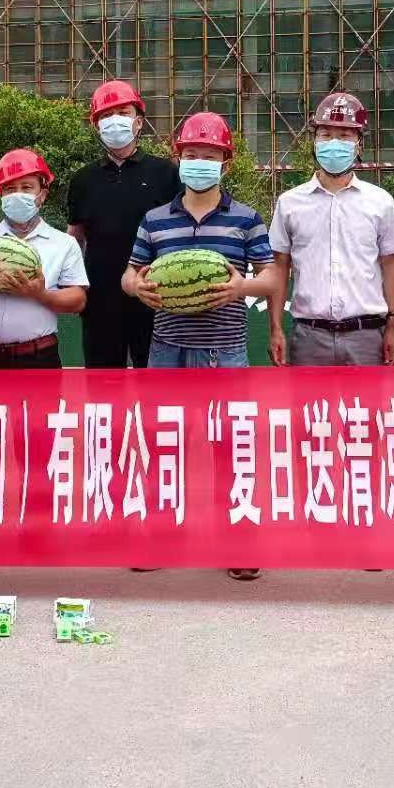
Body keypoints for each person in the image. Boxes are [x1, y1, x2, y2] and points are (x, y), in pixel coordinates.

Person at [123, 111, 280, 581]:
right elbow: (130, 273)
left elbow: (272, 277)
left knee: (231, 449)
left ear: (225, 163)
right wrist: (137, 288)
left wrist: (241, 288)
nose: (200, 162)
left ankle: (237, 542)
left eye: (210, 155)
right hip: (166, 348)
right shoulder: (154, 220)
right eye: (192, 154)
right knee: (163, 445)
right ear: (179, 159)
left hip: (225, 350)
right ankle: (160, 537)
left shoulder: (246, 218)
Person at [268, 91, 394, 367]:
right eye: (326, 135)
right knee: (306, 399)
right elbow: (280, 267)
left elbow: (392, 264)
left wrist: (393, 324)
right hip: (309, 336)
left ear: (359, 144)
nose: (334, 143)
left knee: (370, 399)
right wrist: (275, 328)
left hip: (368, 336)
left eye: (344, 136)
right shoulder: (289, 203)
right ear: (314, 141)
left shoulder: (379, 201)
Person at [67, 80, 178, 367]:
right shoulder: (82, 180)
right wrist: (73, 284)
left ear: (138, 122)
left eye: (123, 113)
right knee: (102, 382)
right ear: (96, 126)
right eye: (106, 115)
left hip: (154, 295)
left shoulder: (165, 173)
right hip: (99, 300)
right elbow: (75, 237)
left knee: (155, 380)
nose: (114, 120)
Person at [0, 149, 88, 369]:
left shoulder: (64, 243)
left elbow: (78, 300)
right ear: (1, 195)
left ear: (42, 195)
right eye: (10, 189)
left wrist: (40, 294)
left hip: (38, 359)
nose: (18, 194)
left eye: (27, 187)